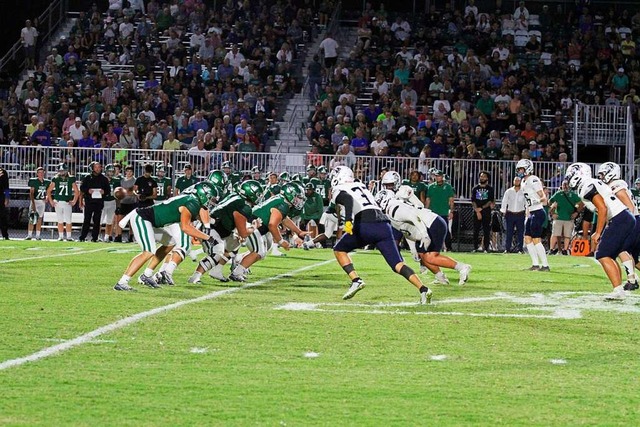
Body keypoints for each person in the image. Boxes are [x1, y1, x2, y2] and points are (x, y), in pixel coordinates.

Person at [329, 166, 433, 304]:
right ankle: (424, 289)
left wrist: (348, 220)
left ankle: (356, 280)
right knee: (397, 264)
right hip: (384, 224)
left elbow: (348, 200)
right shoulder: (361, 185)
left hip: (365, 223)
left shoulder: (339, 189)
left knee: (339, 249)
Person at [114, 182, 219, 291]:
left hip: (152, 222)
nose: (211, 201)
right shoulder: (192, 202)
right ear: (203, 194)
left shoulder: (193, 201)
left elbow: (198, 219)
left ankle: (147, 275)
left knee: (170, 243)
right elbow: (185, 227)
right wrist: (208, 238)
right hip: (142, 218)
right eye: (210, 198)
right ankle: (122, 282)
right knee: (149, 251)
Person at [566, 163, 637, 300]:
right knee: (610, 254)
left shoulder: (586, 186)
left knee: (602, 254)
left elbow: (602, 208)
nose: (569, 179)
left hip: (619, 217)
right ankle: (620, 288)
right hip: (623, 217)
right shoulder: (591, 183)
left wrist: (598, 232)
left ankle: (618, 290)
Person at [188, 180, 262, 284]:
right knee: (217, 252)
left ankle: (216, 270)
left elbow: (233, 221)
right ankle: (195, 277)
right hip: (211, 228)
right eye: (258, 194)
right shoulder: (244, 207)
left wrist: (238, 232)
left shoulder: (236, 197)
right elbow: (244, 233)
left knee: (235, 244)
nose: (259, 197)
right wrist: (254, 226)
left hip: (220, 229)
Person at [596, 162, 639, 290]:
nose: (601, 177)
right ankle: (632, 278)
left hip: (633, 221)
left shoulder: (616, 185)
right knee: (634, 259)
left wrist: (623, 225)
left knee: (621, 249)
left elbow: (630, 207)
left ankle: (632, 279)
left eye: (603, 174)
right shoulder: (614, 185)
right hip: (633, 220)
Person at [516, 159, 550, 271]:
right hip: (531, 212)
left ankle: (545, 265)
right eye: (519, 169)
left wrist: (538, 201)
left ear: (527, 169)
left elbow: (544, 198)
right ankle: (535, 264)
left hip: (538, 212)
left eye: (522, 169)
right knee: (527, 238)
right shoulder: (523, 182)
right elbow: (527, 200)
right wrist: (527, 213)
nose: (520, 171)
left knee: (536, 239)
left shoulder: (533, 179)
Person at [79, 161, 111, 242]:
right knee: (87, 219)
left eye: (99, 167)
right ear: (92, 168)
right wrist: (87, 190)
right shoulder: (87, 178)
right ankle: (82, 237)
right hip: (89, 201)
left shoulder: (104, 179)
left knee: (97, 220)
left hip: (99, 202)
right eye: (96, 167)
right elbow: (82, 188)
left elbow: (108, 190)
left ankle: (95, 237)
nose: (97, 169)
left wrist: (104, 192)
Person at [47, 163, 79, 241]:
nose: (61, 172)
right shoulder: (55, 179)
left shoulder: (71, 178)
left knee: (68, 220)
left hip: (67, 202)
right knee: (60, 220)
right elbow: (48, 190)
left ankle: (68, 236)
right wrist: (51, 201)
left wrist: (74, 200)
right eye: (60, 171)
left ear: (66, 170)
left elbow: (76, 191)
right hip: (58, 202)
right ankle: (61, 236)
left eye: (63, 171)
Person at [548, 180, 580, 255]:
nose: (565, 186)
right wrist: (552, 213)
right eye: (564, 185)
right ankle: (551, 249)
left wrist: (576, 212)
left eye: (566, 185)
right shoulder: (558, 194)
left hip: (569, 218)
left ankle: (565, 249)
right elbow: (549, 202)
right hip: (558, 217)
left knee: (567, 235)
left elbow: (581, 203)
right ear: (561, 186)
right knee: (555, 234)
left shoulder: (573, 195)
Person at [426, 169, 455, 251]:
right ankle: (432, 247)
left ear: (442, 177)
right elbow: (428, 199)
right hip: (433, 212)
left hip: (443, 212)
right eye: (436, 176)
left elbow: (451, 200)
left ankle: (449, 247)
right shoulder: (431, 187)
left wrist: (451, 211)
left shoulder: (448, 187)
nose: (438, 177)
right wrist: (426, 210)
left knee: (445, 230)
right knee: (431, 230)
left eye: (439, 176)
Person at [500, 176, 526, 253]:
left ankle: (520, 249)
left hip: (520, 214)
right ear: (513, 181)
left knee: (520, 233)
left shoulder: (524, 192)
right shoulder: (508, 191)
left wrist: (527, 212)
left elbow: (526, 203)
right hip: (510, 214)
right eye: (515, 180)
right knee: (509, 232)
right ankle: (507, 249)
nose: (517, 182)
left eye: (518, 180)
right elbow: (504, 202)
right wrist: (503, 211)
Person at [471, 171, 494, 252]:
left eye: (484, 176)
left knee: (486, 231)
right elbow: (473, 201)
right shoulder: (475, 188)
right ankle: (475, 248)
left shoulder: (490, 189)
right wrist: (477, 210)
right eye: (481, 176)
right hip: (476, 212)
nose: (482, 178)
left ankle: (486, 248)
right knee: (475, 230)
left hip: (486, 212)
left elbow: (490, 201)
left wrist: (481, 208)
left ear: (487, 178)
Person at [26, 167, 51, 240]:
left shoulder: (47, 182)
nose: (41, 174)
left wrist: (47, 197)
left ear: (44, 173)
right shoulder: (34, 181)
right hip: (35, 200)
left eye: (42, 172)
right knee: (32, 218)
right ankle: (29, 235)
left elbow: (48, 191)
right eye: (39, 172)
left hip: (42, 202)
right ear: (37, 173)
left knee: (40, 218)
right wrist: (33, 204)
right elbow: (31, 193)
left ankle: (38, 235)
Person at [115, 165, 136, 243]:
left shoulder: (135, 180)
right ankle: (119, 236)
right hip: (123, 202)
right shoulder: (122, 180)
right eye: (127, 171)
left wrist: (125, 191)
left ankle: (131, 236)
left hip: (132, 202)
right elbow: (119, 191)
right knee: (120, 220)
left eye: (130, 171)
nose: (129, 173)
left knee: (131, 221)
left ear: (133, 172)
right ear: (125, 172)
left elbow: (133, 191)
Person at [101, 164, 120, 242]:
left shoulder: (116, 180)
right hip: (103, 201)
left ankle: (107, 237)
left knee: (109, 221)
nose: (111, 173)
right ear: (106, 171)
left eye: (112, 171)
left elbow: (118, 194)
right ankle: (97, 236)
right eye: (109, 171)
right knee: (99, 221)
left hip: (112, 202)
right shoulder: (101, 179)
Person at [0, 167, 10, 239]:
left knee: (2, 216)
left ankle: (5, 235)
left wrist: (7, 198)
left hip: (0, 196)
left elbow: (6, 186)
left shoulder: (3, 172)